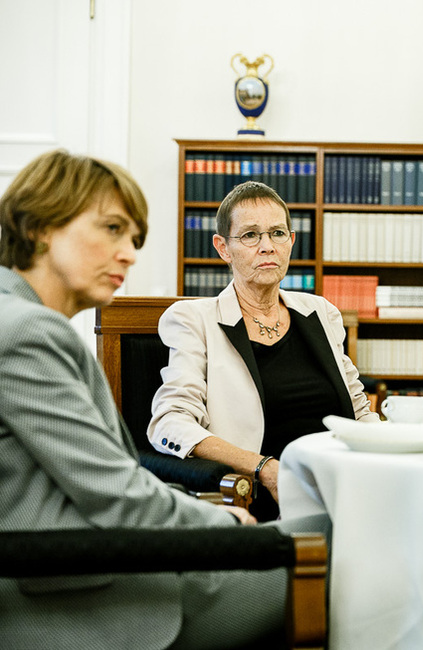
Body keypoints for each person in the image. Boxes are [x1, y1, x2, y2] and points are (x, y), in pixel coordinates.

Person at [0, 149, 306, 648]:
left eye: (134, 238)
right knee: (344, 557)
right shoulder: (25, 331)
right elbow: (115, 493)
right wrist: (224, 523)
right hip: (82, 593)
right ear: (39, 226)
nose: (129, 253)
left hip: (100, 556)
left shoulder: (16, 318)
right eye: (112, 229)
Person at [149, 180, 378, 521]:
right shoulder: (194, 320)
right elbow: (170, 423)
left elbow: (360, 412)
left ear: (291, 242)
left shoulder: (320, 313)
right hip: (257, 493)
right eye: (251, 235)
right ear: (223, 247)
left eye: (277, 233)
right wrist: (264, 469)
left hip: (344, 483)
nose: (267, 246)